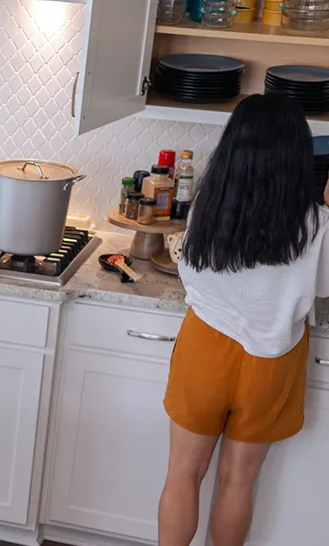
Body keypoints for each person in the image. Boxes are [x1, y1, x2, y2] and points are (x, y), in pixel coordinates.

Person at [158, 93, 326, 546]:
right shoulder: (316, 223)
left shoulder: (208, 209)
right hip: (273, 359)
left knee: (183, 474)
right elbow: (324, 286)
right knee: (238, 481)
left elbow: (189, 269)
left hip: (205, 348)